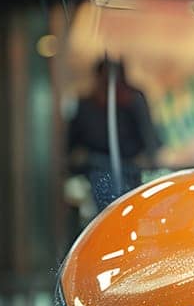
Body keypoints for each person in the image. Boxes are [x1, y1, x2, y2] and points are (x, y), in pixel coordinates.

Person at [66, 58, 158, 210]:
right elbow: (75, 136)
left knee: (129, 207)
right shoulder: (88, 104)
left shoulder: (132, 100)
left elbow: (146, 129)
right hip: (99, 166)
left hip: (129, 165)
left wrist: (151, 157)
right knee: (108, 210)